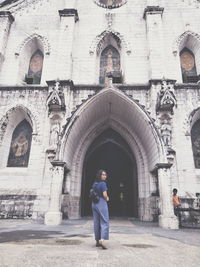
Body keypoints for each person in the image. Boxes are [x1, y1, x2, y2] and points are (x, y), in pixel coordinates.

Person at [92, 169, 109, 249]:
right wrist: (107, 198)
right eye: (103, 175)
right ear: (99, 175)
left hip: (94, 204)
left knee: (96, 222)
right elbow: (104, 194)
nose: (105, 176)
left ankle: (97, 241)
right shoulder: (103, 184)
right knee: (105, 221)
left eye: (105, 175)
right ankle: (102, 240)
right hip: (101, 202)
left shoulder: (94, 184)